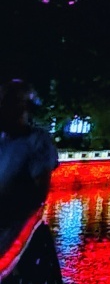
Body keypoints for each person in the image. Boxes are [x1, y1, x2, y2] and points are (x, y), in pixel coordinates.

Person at [0, 81, 57, 249]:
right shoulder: (4, 139)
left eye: (7, 103)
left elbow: (38, 195)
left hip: (13, 232)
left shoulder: (37, 141)